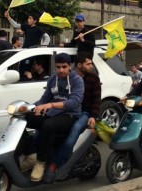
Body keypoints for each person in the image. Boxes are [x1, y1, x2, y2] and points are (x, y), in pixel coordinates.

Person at [21, 53, 84, 182]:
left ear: (70, 66)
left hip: (69, 115)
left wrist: (50, 105)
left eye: (64, 67)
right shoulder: (52, 79)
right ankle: (29, 154)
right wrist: (28, 107)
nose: (61, 70)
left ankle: (40, 163)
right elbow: (44, 99)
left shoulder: (77, 80)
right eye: (58, 67)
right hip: (52, 113)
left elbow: (73, 103)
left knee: (48, 125)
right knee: (22, 118)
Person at [46, 51, 101, 180]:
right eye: (88, 64)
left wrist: (93, 116)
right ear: (79, 65)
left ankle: (55, 164)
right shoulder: (64, 77)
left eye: (91, 63)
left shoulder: (93, 78)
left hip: (84, 113)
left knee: (75, 129)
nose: (91, 66)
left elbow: (97, 100)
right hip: (66, 111)